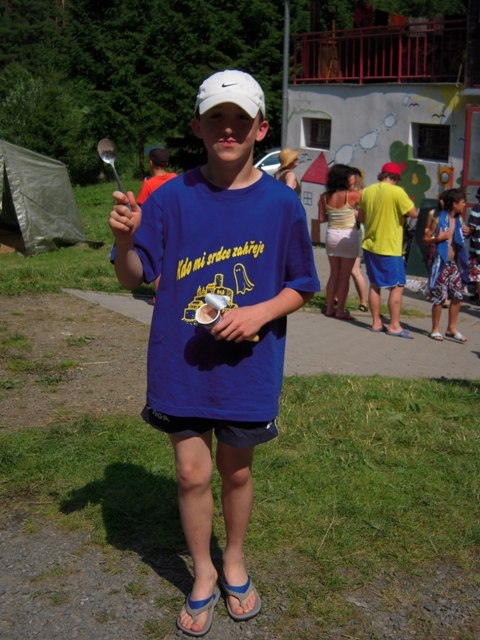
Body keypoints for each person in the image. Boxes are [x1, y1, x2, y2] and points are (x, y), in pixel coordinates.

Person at [108, 69, 320, 637]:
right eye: (216, 118)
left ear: (261, 129)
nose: (229, 129)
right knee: (189, 472)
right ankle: (203, 571)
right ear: (197, 127)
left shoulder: (281, 204)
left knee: (236, 471)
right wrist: (125, 241)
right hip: (181, 365)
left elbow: (302, 284)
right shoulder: (170, 197)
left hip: (249, 368)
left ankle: (234, 561)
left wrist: (259, 312)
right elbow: (132, 276)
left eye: (240, 119)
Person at [358, 161, 418, 337]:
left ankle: (376, 323)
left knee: (375, 285)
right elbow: (413, 213)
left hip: (370, 245)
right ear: (396, 178)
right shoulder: (397, 192)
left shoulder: (367, 191)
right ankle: (394, 325)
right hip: (390, 247)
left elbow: (361, 216)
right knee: (397, 286)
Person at [423, 188, 471, 343]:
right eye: (462, 202)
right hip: (441, 263)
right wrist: (439, 238)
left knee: (457, 296)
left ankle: (451, 328)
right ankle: (435, 329)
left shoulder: (459, 220)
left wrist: (467, 232)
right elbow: (425, 239)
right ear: (454, 204)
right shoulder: (438, 219)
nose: (464, 205)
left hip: (454, 264)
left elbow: (461, 238)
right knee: (439, 298)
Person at [318, 163, 362, 320]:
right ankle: (340, 310)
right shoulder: (353, 195)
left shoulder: (324, 196)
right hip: (348, 235)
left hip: (331, 234)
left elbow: (321, 219)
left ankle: (329, 308)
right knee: (344, 276)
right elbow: (363, 217)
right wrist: (355, 213)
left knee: (334, 274)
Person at [348, 167, 368, 312]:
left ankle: (363, 302)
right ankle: (335, 298)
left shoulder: (361, 194)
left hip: (355, 232)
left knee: (354, 270)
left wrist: (352, 211)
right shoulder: (346, 193)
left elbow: (362, 217)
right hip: (346, 233)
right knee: (342, 270)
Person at [467, 187, 480, 305]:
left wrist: (464, 234)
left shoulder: (477, 208)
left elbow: (472, 227)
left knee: (478, 273)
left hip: (477, 247)